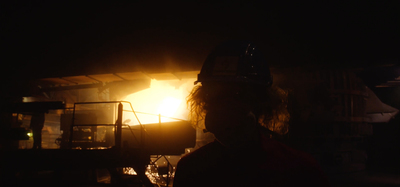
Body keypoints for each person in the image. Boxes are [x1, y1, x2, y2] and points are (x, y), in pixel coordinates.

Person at [173, 40, 330, 186]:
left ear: (262, 102)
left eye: (238, 95)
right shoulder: (298, 167)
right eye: (214, 96)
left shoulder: (300, 170)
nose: (225, 108)